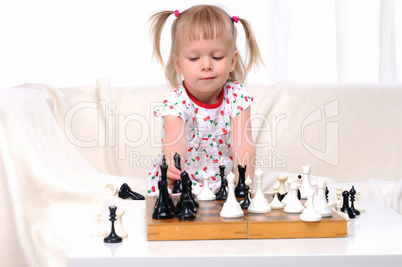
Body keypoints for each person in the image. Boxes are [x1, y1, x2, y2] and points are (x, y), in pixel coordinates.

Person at [147, 5, 263, 195]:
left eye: (217, 57)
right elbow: (175, 140)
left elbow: (243, 145)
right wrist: (173, 165)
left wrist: (245, 186)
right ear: (178, 64)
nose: (207, 65)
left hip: (224, 180)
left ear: (232, 61)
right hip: (184, 178)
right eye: (194, 58)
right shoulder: (176, 102)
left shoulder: (237, 96)